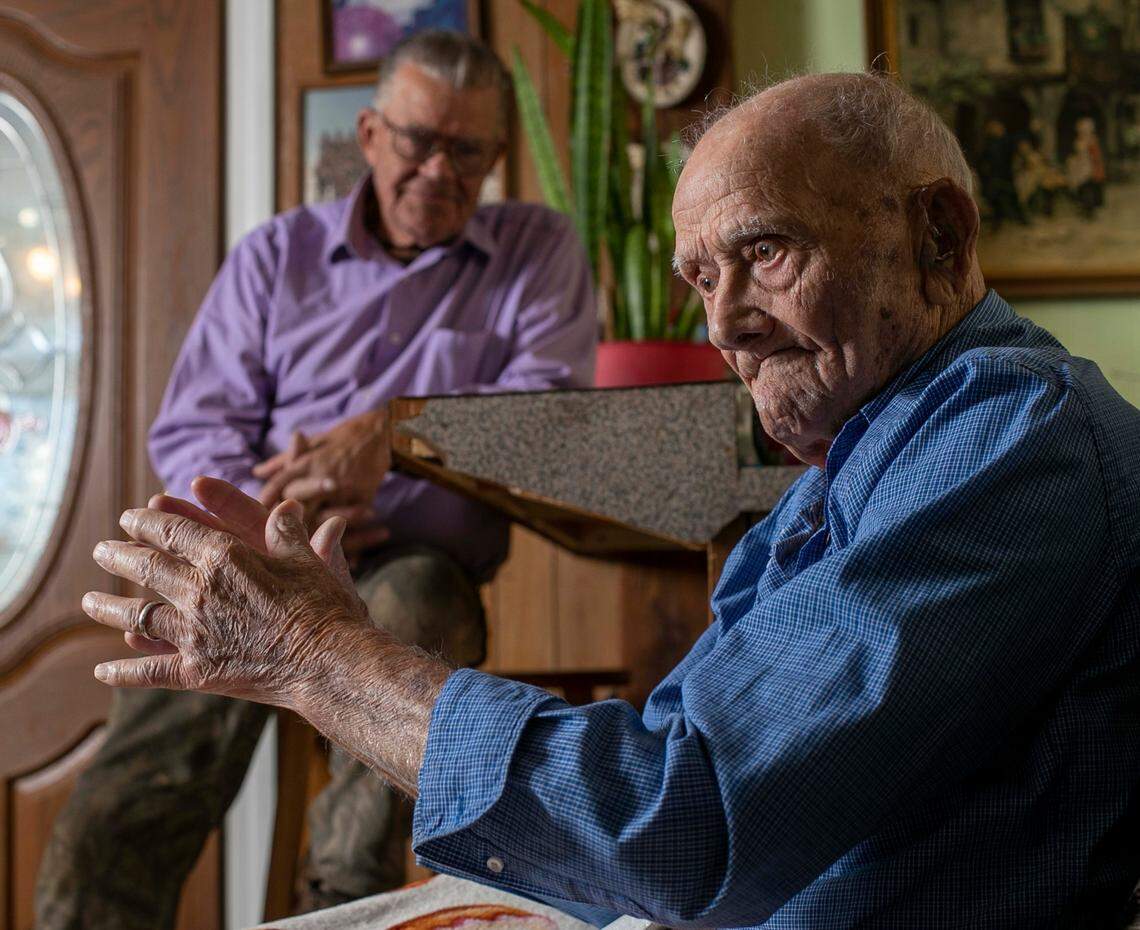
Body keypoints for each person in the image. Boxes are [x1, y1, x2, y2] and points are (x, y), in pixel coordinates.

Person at [80, 72, 1140, 929]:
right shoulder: (846, 473)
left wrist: (321, 655)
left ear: (940, 239)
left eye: (764, 252)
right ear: (368, 136)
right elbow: (678, 763)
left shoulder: (1010, 440)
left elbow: (684, 821)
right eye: (697, 279)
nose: (725, 324)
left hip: (414, 560)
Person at [36, 29, 595, 930]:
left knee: (418, 606)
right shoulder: (276, 255)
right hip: (248, 545)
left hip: (409, 562)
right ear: (370, 134)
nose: (439, 171)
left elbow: (546, 421)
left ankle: (346, 906)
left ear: (498, 155)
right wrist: (276, 526)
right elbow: (194, 425)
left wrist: (393, 439)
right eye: (418, 141)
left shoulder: (539, 251)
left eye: (468, 151)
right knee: (121, 811)